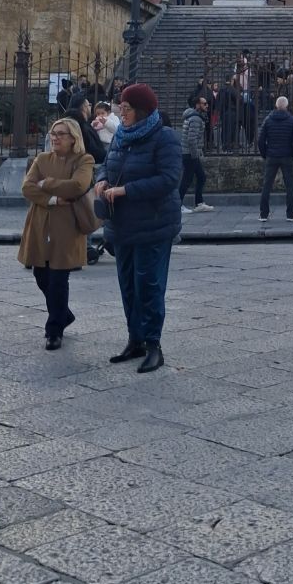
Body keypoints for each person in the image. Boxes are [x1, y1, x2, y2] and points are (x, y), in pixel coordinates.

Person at [96, 83, 183, 374]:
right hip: (122, 224)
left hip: (153, 224)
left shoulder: (165, 137)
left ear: (142, 110)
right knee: (128, 285)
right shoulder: (121, 135)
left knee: (149, 285)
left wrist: (126, 190)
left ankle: (153, 345)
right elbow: (107, 163)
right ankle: (135, 340)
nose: (122, 113)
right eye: (121, 107)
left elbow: (169, 179)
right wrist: (101, 180)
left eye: (127, 108)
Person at [19, 117, 94, 350]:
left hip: (67, 226)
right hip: (40, 223)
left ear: (73, 138)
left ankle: (54, 330)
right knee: (41, 275)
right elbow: (27, 187)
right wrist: (53, 199)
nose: (55, 137)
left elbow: (78, 186)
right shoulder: (42, 159)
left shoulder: (84, 160)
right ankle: (64, 314)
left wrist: (46, 183)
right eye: (53, 133)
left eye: (61, 133)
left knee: (59, 279)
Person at [258, 94, 293, 222]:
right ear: (287, 106)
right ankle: (290, 214)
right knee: (290, 185)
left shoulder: (268, 120)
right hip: (287, 155)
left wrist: (265, 154)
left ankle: (263, 214)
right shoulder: (292, 120)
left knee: (267, 185)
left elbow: (261, 140)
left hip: (271, 155)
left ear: (276, 106)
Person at [180, 95, 213, 214]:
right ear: (197, 105)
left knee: (201, 177)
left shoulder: (193, 116)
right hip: (190, 154)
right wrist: (195, 154)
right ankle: (178, 204)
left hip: (190, 153)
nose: (207, 106)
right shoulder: (195, 119)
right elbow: (191, 139)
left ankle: (199, 203)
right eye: (204, 104)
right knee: (187, 180)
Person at [67, 90, 107, 165]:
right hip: (89, 164)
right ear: (84, 108)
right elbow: (93, 150)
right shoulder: (81, 125)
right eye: (89, 105)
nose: (90, 107)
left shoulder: (77, 123)